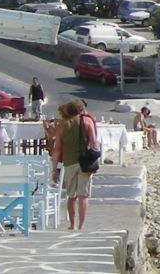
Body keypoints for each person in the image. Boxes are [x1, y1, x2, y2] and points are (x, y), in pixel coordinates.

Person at [51, 99, 98, 231]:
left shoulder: (62, 125)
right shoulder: (88, 122)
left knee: (71, 196)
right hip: (85, 163)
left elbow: (57, 149)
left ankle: (72, 224)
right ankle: (81, 226)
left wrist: (54, 169)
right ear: (80, 110)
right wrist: (95, 163)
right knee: (83, 195)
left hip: (69, 162)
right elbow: (94, 144)